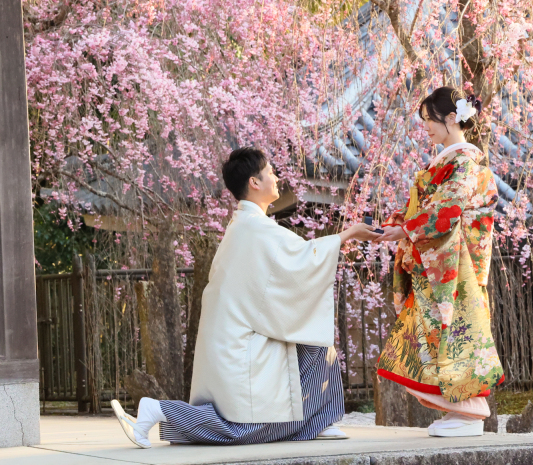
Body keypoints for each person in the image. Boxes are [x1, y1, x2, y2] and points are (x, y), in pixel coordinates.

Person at [111, 147, 377, 448]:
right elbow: (305, 258)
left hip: (236, 338)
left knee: (314, 335)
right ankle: (159, 409)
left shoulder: (245, 226)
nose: (276, 178)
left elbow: (290, 273)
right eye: (270, 173)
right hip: (240, 345)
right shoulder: (255, 228)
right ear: (254, 182)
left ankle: (317, 420)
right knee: (242, 431)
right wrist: (350, 233)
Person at [374, 87, 505, 437]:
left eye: (430, 120)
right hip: (440, 264)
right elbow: (425, 210)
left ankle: (469, 409)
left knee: (455, 334)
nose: (427, 128)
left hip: (455, 267)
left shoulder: (463, 163)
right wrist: (393, 227)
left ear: (451, 119)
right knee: (432, 337)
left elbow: (446, 212)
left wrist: (404, 230)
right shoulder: (447, 163)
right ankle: (459, 409)